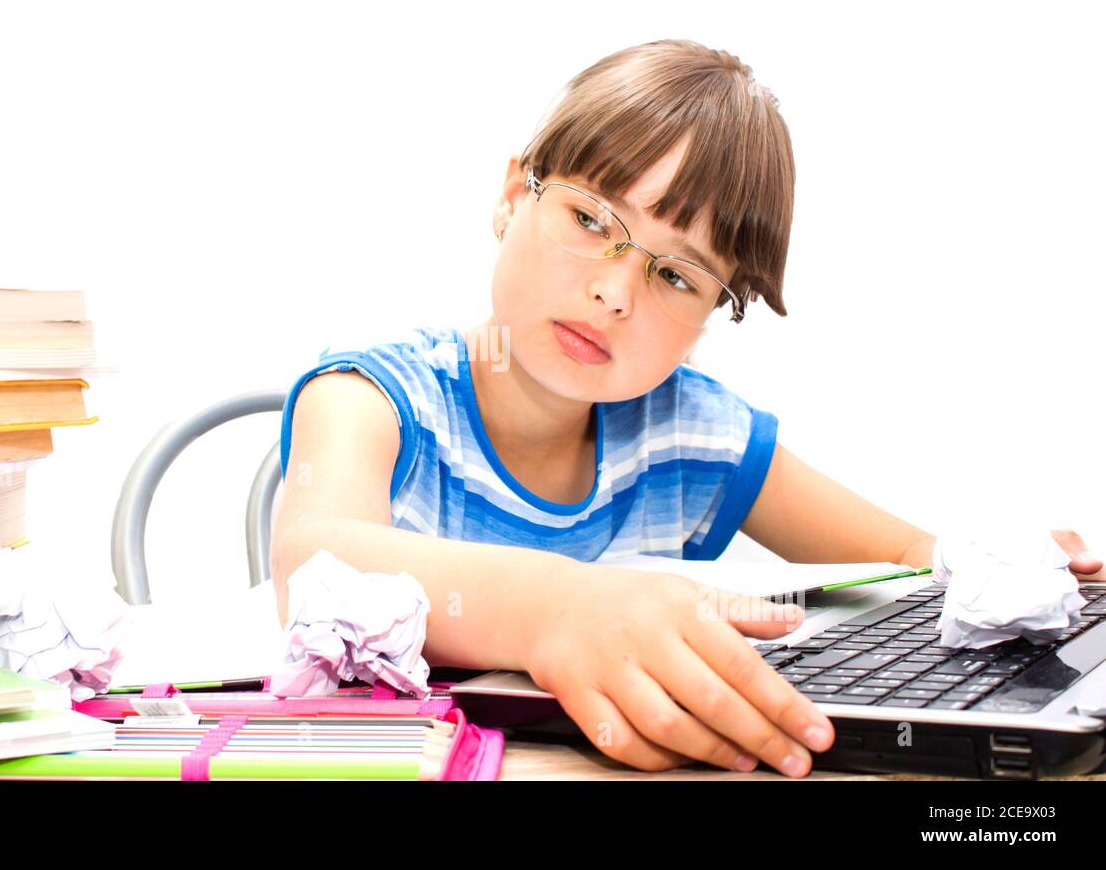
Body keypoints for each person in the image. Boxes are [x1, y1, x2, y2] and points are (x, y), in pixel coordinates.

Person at [271, 38, 1103, 777]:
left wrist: (992, 567)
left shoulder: (687, 431)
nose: (612, 292)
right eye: (591, 219)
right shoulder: (372, 398)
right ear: (512, 196)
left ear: (709, 316)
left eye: (674, 275)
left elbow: (906, 561)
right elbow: (317, 564)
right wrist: (558, 607)